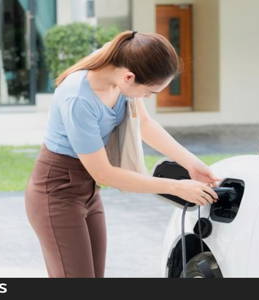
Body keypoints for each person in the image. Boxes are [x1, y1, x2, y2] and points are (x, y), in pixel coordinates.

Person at [24, 30, 221, 278]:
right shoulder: (78, 98)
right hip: (56, 192)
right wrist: (177, 187)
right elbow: (104, 173)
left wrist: (192, 163)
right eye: (150, 92)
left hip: (87, 190)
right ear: (129, 77)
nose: (148, 97)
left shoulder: (120, 73)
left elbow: (145, 125)